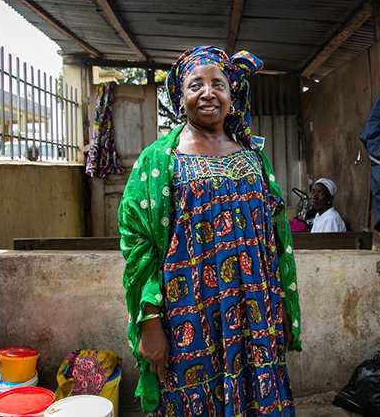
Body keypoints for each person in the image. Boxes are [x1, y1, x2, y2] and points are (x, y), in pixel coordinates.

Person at [118, 46, 301, 415]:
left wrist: (281, 300)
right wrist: (150, 320)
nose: (207, 92)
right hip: (188, 316)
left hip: (255, 314)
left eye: (218, 83)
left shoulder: (253, 158)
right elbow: (136, 241)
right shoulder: (159, 161)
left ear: (232, 94)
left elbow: (276, 236)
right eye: (195, 85)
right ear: (179, 96)